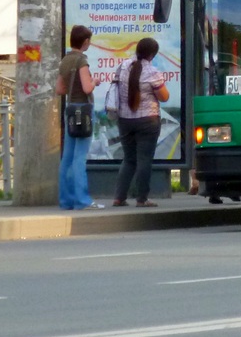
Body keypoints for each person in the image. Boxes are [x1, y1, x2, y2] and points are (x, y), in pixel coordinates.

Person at [112, 37, 170, 208]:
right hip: (147, 121)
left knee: (129, 159)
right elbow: (164, 97)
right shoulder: (152, 72)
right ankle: (142, 198)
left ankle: (119, 197)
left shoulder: (122, 67)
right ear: (152, 54)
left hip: (125, 120)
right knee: (144, 159)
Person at [55, 25, 104, 210]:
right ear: (85, 42)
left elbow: (59, 89)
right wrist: (94, 81)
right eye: (89, 40)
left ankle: (66, 201)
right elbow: (87, 88)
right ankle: (83, 200)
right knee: (79, 157)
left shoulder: (65, 60)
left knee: (67, 157)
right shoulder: (81, 61)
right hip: (83, 110)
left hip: (70, 109)